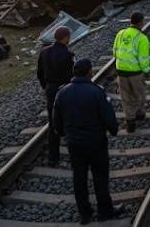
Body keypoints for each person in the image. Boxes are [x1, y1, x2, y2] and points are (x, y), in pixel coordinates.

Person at [52, 59, 125, 224]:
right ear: (89, 72)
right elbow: (107, 115)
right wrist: (113, 130)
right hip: (95, 141)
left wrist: (62, 133)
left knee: (79, 177)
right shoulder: (96, 92)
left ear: (74, 72)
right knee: (100, 176)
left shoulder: (62, 92)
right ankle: (105, 210)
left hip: (74, 143)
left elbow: (57, 118)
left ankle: (84, 213)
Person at [37, 26, 75, 167]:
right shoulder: (67, 55)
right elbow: (70, 77)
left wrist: (44, 86)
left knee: (53, 123)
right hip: (64, 90)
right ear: (65, 38)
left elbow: (40, 72)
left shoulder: (44, 52)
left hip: (51, 89)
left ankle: (53, 158)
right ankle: (74, 154)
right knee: (69, 121)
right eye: (68, 37)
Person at [113, 12, 150, 133]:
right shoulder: (142, 38)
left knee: (126, 96)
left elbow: (114, 51)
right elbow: (143, 58)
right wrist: (146, 71)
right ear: (141, 22)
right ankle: (139, 112)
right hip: (135, 72)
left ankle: (130, 121)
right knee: (139, 94)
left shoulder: (120, 33)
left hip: (121, 71)